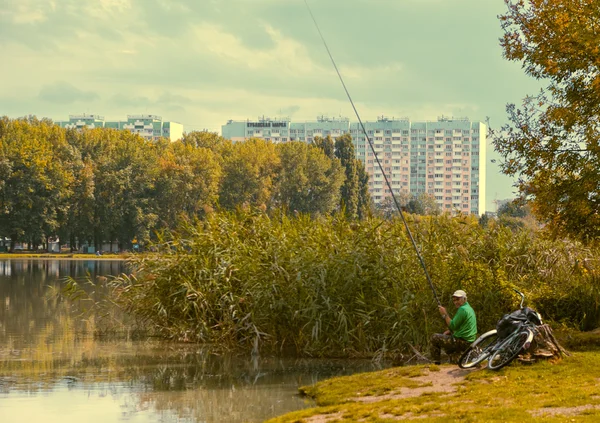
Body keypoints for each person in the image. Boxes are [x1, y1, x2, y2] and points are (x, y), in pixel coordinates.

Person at [430, 289, 477, 365]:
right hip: (469, 342)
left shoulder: (462, 309)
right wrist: (449, 331)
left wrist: (445, 314)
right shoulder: (469, 309)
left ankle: (436, 363)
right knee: (454, 359)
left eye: (458, 299)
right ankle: (456, 359)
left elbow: (453, 326)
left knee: (434, 337)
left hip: (462, 342)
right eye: (454, 300)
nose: (455, 302)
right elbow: (461, 325)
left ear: (464, 299)